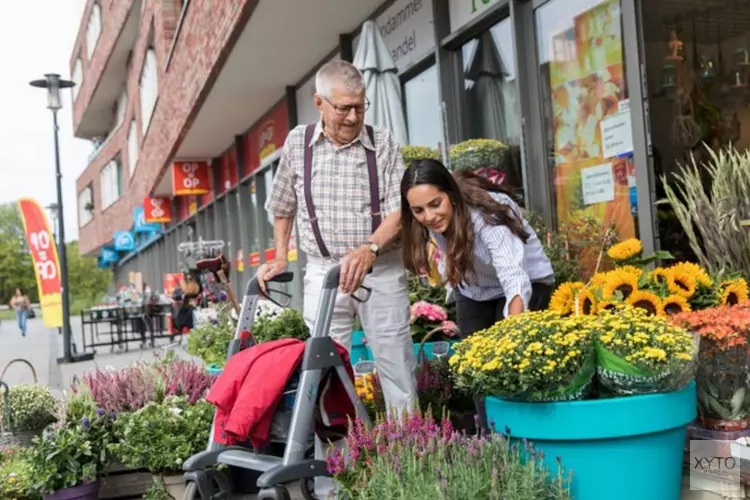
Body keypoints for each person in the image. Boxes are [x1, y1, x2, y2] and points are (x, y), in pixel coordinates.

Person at [259, 59, 417, 498]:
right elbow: (283, 203)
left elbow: (397, 212)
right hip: (322, 272)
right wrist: (278, 255)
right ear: (319, 104)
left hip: (379, 268)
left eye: (360, 107)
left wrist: (368, 250)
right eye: (344, 108)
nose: (352, 116)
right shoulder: (298, 143)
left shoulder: (382, 143)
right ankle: (333, 484)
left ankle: (409, 473)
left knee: (396, 369)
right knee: (322, 375)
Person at [401, 159, 555, 428]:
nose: (429, 216)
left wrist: (514, 329)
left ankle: (529, 437)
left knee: (515, 365)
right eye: (419, 210)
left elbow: (512, 274)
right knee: (475, 369)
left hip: (526, 281)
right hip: (475, 288)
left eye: (435, 204)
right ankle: (490, 443)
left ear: (451, 194)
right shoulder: (430, 218)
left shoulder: (487, 213)